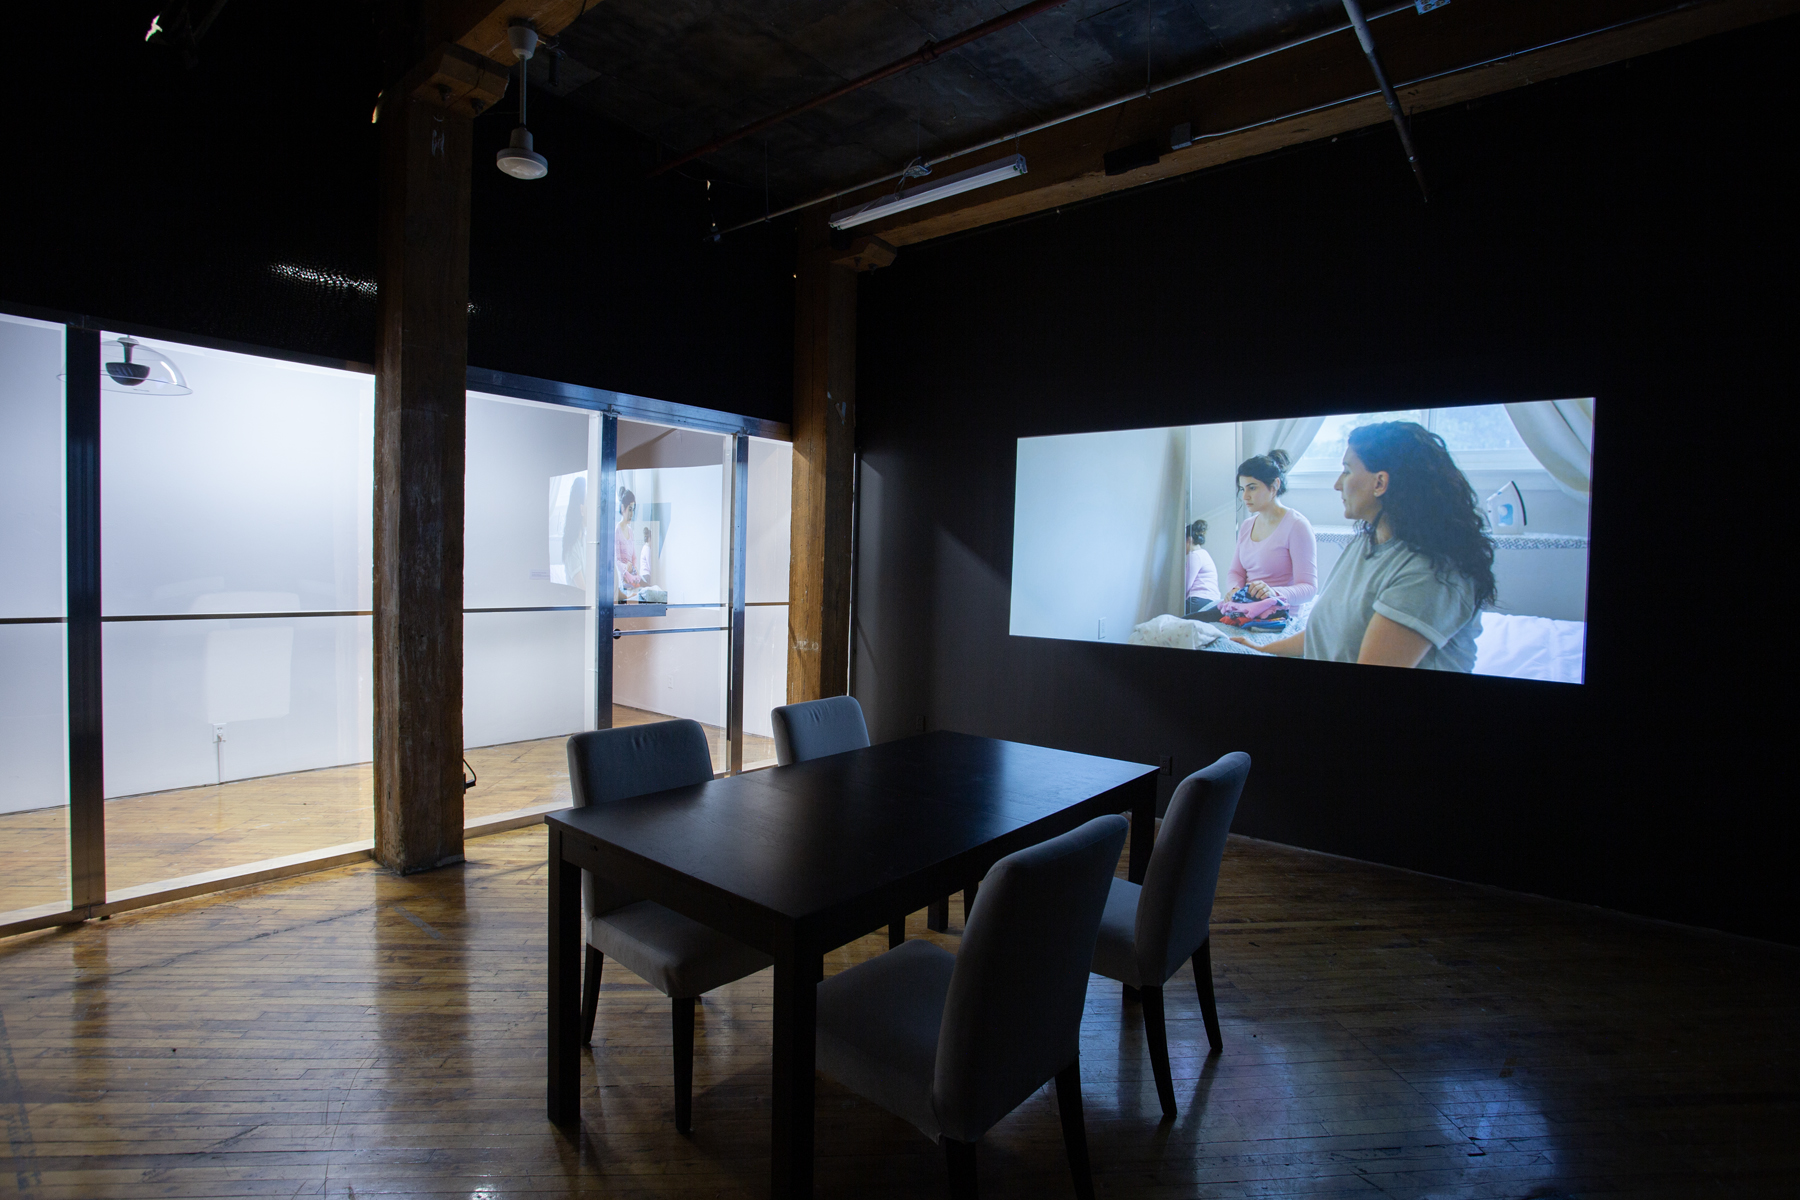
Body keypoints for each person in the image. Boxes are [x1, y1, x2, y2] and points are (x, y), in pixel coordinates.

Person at [1236, 421, 1495, 670]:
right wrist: (1263, 651)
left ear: (1380, 483)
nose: (1338, 484)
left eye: (1347, 471)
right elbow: (1327, 630)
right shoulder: (1364, 544)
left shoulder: (1432, 573)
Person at [1225, 449, 1318, 605]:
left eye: (1252, 488)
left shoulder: (1297, 526)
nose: (1245, 496)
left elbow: (1309, 588)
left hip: (1279, 615)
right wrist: (1235, 590)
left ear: (1275, 485)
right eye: (1243, 489)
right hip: (1246, 610)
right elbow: (1236, 572)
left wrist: (1273, 592)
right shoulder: (1247, 525)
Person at [1183, 519, 1220, 615]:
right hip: (1212, 600)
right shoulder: (1204, 554)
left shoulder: (1194, 555)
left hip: (1199, 600)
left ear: (1189, 540)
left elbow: (1186, 584)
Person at [615, 486, 645, 594]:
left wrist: (635, 568)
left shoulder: (630, 531)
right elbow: (617, 561)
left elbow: (634, 557)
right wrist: (626, 568)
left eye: (633, 510)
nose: (632, 514)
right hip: (622, 584)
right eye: (630, 509)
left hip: (632, 581)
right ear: (623, 508)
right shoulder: (617, 531)